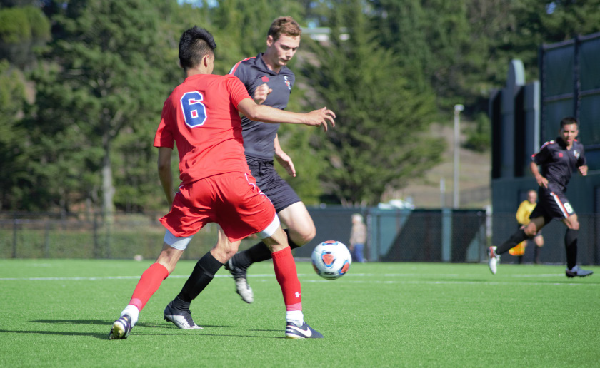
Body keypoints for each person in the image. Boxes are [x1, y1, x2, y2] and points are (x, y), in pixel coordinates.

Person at [109, 26, 335, 340]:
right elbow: (254, 112)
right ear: (207, 60)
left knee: (165, 259)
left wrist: (169, 199)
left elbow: (162, 162)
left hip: (193, 188)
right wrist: (306, 117)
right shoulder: (227, 81)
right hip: (234, 181)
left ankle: (129, 313)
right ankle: (295, 321)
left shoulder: (172, 99)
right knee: (280, 243)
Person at [165, 16, 317, 314]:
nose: (288, 53)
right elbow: (228, 115)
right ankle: (180, 305)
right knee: (226, 246)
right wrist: (254, 103)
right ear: (270, 41)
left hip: (266, 167)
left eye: (295, 49)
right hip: (239, 165)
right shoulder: (243, 69)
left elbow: (268, 121)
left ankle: (242, 263)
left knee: (304, 232)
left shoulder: (288, 78)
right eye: (284, 46)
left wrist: (278, 149)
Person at [488, 117, 593, 278]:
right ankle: (572, 268)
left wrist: (583, 168)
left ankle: (496, 251)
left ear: (577, 133)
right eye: (566, 131)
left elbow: (581, 163)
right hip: (551, 190)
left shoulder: (579, 148)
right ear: (560, 131)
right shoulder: (551, 147)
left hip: (559, 192)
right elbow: (533, 160)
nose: (568, 135)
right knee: (573, 223)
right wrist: (538, 176)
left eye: (572, 132)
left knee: (530, 230)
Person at [510, 189, 544, 264]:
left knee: (539, 241)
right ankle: (520, 262)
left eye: (533, 197)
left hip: (535, 228)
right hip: (525, 227)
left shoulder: (537, 206)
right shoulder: (524, 205)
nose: (532, 198)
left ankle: (536, 261)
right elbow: (519, 216)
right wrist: (523, 224)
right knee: (523, 243)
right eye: (530, 197)